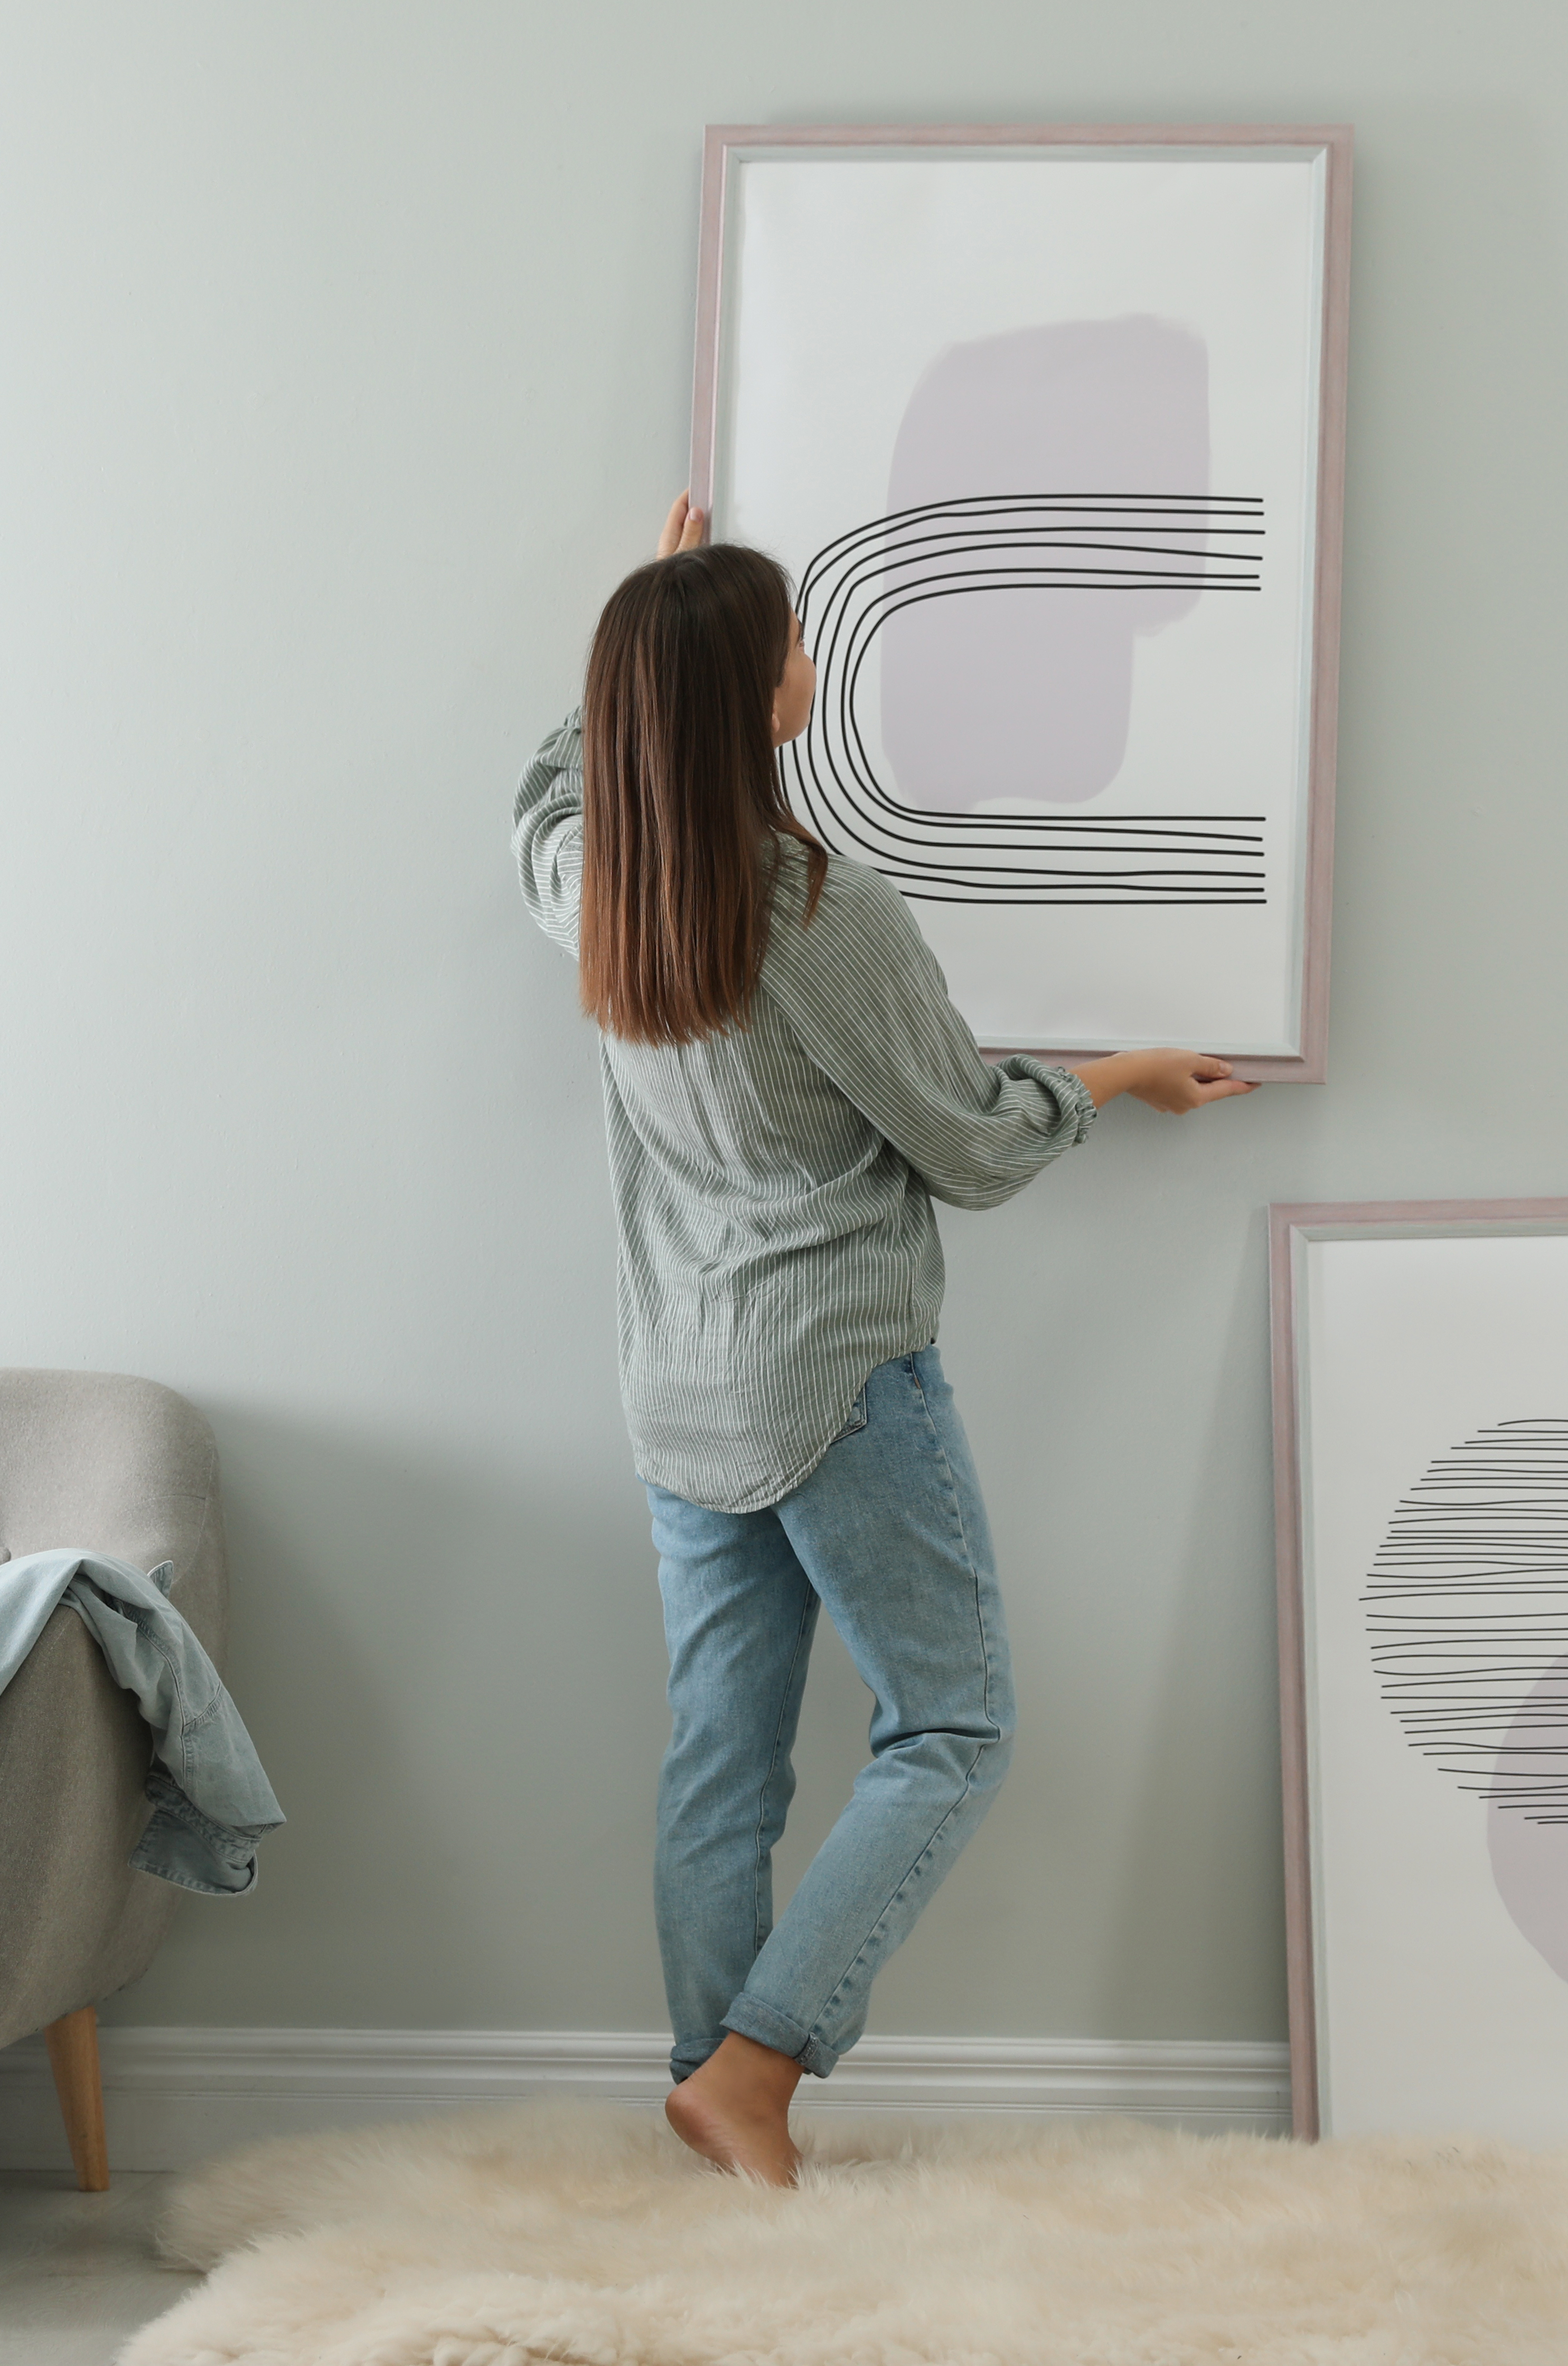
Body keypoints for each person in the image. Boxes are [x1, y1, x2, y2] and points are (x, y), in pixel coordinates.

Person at [510, 496, 1255, 2185]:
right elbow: (977, 1147)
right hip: (832, 1374)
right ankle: (757, 2073)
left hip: (680, 1380)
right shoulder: (818, 913)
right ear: (743, 701)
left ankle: (710, 2092)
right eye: (784, 643)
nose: (811, 655)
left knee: (722, 1752)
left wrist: (643, 610)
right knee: (953, 1728)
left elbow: (544, 802)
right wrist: (1116, 1082)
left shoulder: (595, 882)